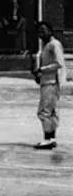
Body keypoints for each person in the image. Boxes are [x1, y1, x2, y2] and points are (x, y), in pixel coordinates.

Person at [33, 21, 66, 150]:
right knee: (51, 111)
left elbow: (59, 63)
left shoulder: (54, 44)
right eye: (39, 32)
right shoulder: (48, 46)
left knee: (44, 111)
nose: (41, 34)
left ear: (50, 31)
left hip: (51, 83)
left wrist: (42, 69)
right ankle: (51, 138)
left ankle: (47, 139)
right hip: (47, 81)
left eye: (43, 31)